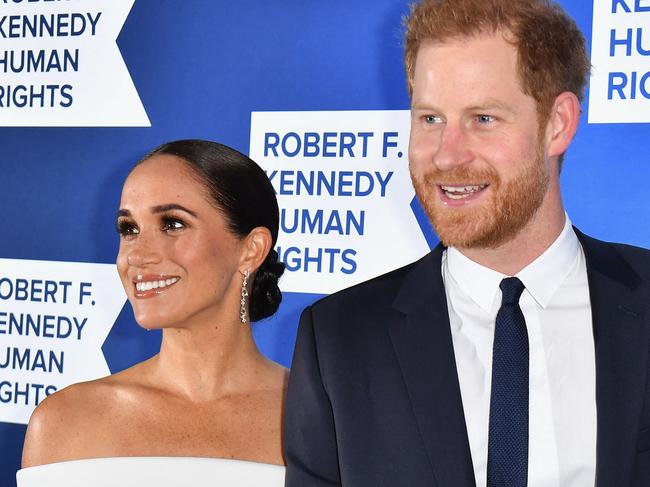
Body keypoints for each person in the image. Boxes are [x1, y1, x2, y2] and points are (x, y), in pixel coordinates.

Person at [284, 1, 650, 486]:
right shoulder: (338, 340)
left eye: (483, 118)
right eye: (431, 119)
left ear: (557, 124)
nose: (446, 156)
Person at [19, 140, 287, 486]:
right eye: (129, 229)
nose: (136, 255)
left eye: (173, 224)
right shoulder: (65, 421)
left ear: (251, 250)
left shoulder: (323, 418)